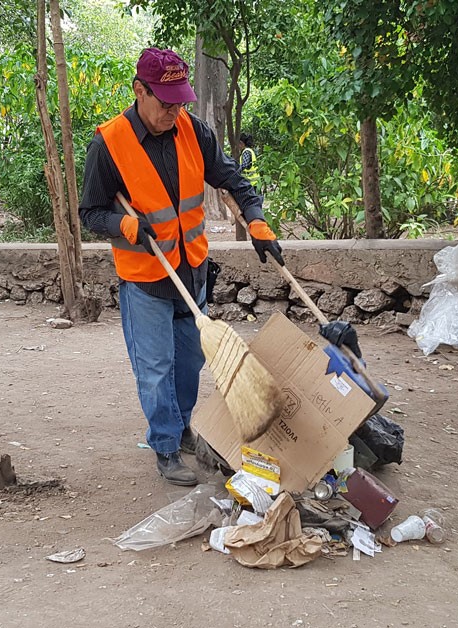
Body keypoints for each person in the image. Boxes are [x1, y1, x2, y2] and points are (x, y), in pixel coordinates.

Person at [78, 47, 284, 486]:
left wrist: (258, 220)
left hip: (192, 273)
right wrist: (127, 226)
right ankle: (166, 446)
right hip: (146, 280)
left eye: (180, 102)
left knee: (190, 362)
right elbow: (91, 213)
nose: (174, 111)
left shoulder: (194, 132)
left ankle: (183, 428)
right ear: (139, 90)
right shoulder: (109, 143)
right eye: (166, 102)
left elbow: (233, 180)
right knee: (155, 370)